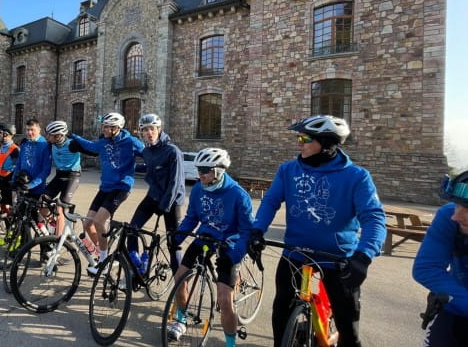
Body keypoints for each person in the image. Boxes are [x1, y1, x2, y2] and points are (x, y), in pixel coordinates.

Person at [247, 115, 386, 347]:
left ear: (326, 143)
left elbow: (374, 217)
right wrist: (257, 231)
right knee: (282, 307)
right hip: (296, 253)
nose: (298, 143)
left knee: (348, 327)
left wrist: (364, 256)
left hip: (338, 258)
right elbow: (270, 201)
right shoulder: (288, 170)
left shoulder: (357, 177)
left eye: (304, 138)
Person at [166, 148, 252, 346]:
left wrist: (236, 255)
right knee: (179, 277)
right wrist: (176, 238)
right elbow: (191, 218)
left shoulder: (238, 195)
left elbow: (247, 231)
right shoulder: (198, 188)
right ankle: (181, 319)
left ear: (219, 171)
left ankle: (230, 342)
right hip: (205, 238)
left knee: (224, 299)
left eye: (205, 170)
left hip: (229, 243)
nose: (200, 174)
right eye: (199, 169)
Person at [68, 112, 145, 273]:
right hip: (105, 188)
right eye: (103, 126)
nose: (103, 129)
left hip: (121, 188)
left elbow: (148, 155)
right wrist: (72, 136)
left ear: (116, 128)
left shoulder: (131, 141)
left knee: (99, 221)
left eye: (106, 127)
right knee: (87, 223)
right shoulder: (103, 142)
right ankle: (103, 250)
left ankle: (104, 263)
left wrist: (152, 168)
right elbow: (89, 145)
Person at [412, 171, 468, 346]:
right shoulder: (448, 216)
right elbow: (427, 267)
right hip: (459, 303)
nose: (456, 216)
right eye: (458, 205)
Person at [128, 114, 186, 274]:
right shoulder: (147, 151)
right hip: (153, 195)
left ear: (159, 130)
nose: (149, 133)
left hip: (171, 201)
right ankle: (137, 266)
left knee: (173, 244)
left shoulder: (173, 151)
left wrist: (165, 206)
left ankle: (179, 282)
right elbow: (151, 169)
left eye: (152, 129)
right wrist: (129, 169)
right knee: (131, 230)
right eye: (145, 130)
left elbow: (176, 183)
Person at [42, 120, 85, 236]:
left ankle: (57, 240)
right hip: (59, 175)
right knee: (42, 202)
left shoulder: (72, 144)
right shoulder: (51, 143)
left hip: (72, 177)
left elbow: (92, 151)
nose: (47, 137)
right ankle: (53, 223)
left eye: (49, 135)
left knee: (59, 208)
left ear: (59, 135)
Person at [0, 123, 19, 213]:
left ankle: (12, 224)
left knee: (11, 207)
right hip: (2, 179)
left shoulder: (15, 149)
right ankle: (7, 225)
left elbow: (18, 167)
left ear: (6, 134)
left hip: (10, 182)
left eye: (0, 132)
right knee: (3, 204)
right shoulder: (1, 148)